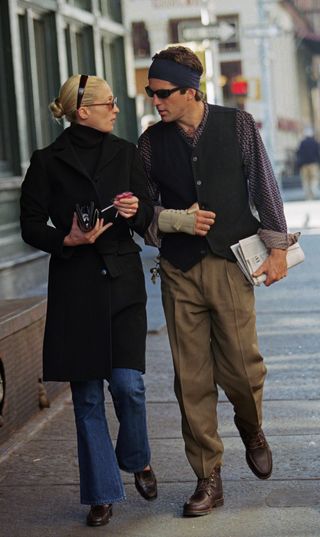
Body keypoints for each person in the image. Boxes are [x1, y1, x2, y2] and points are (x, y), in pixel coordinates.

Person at [138, 46, 294, 517]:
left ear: (190, 91)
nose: (155, 101)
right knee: (192, 380)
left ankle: (251, 428)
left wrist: (280, 249)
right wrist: (171, 220)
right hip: (179, 270)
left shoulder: (238, 125)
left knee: (243, 371)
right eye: (150, 93)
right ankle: (208, 476)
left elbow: (265, 187)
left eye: (162, 93)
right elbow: (143, 211)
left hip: (230, 262)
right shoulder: (149, 142)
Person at [20, 74, 157, 527]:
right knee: (86, 399)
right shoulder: (46, 161)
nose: (116, 109)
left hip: (121, 280)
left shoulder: (125, 152)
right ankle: (101, 493)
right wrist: (69, 237)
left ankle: (136, 457)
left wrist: (136, 210)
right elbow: (30, 223)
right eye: (109, 103)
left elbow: (144, 212)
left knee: (128, 386)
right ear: (84, 111)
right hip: (75, 288)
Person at [296, 128, 320, 200]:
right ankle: (313, 189)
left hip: (304, 165)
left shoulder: (302, 143)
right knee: (314, 178)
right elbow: (318, 153)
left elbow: (298, 153)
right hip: (313, 164)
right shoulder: (315, 142)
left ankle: (308, 196)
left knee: (305, 180)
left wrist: (299, 164)